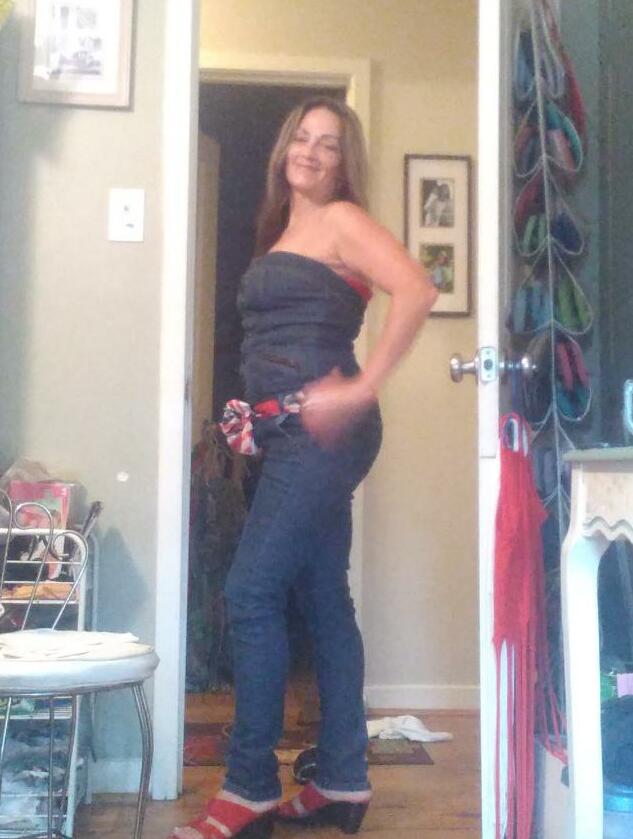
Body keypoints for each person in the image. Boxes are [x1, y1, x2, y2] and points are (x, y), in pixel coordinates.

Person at [169, 96, 438, 839]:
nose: (311, 152)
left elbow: (418, 289)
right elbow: (281, 339)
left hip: (325, 435)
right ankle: (341, 779)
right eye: (303, 138)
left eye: (329, 144)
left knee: (250, 591)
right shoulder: (283, 230)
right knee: (323, 598)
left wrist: (360, 387)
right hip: (288, 431)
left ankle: (249, 786)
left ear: (344, 163)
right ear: (284, 146)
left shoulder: (344, 220)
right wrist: (258, 413)